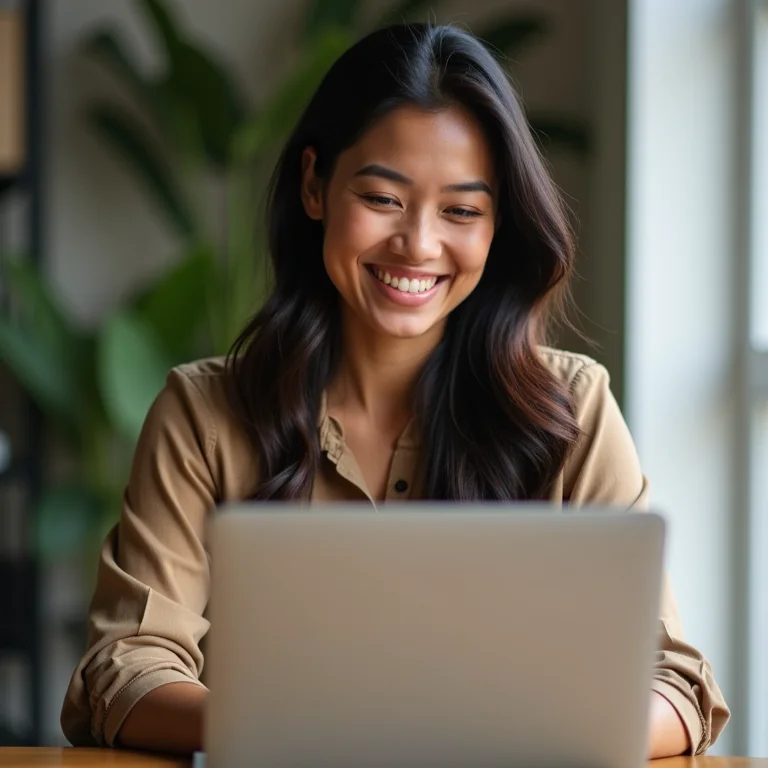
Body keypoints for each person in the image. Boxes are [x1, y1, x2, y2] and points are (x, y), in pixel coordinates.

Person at [61, 23, 729, 757]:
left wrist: (525, 732)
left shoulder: (571, 409)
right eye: (383, 198)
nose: (418, 244)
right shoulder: (203, 415)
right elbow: (124, 669)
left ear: (499, 224)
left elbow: (674, 680)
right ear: (316, 185)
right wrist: (303, 731)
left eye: (462, 211)